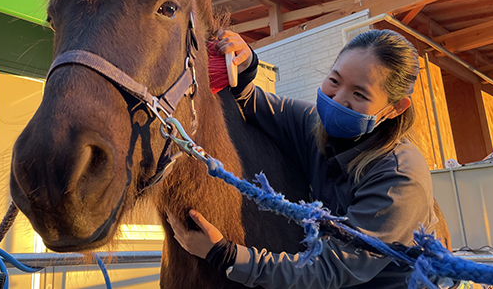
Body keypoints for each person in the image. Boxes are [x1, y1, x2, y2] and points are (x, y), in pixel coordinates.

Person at [167, 28, 439, 288]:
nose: (337, 99)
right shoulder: (313, 124)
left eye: (359, 94)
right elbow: (254, 103)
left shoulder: (399, 178)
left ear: (394, 109)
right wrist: (247, 63)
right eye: (334, 80)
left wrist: (226, 256)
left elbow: (328, 269)